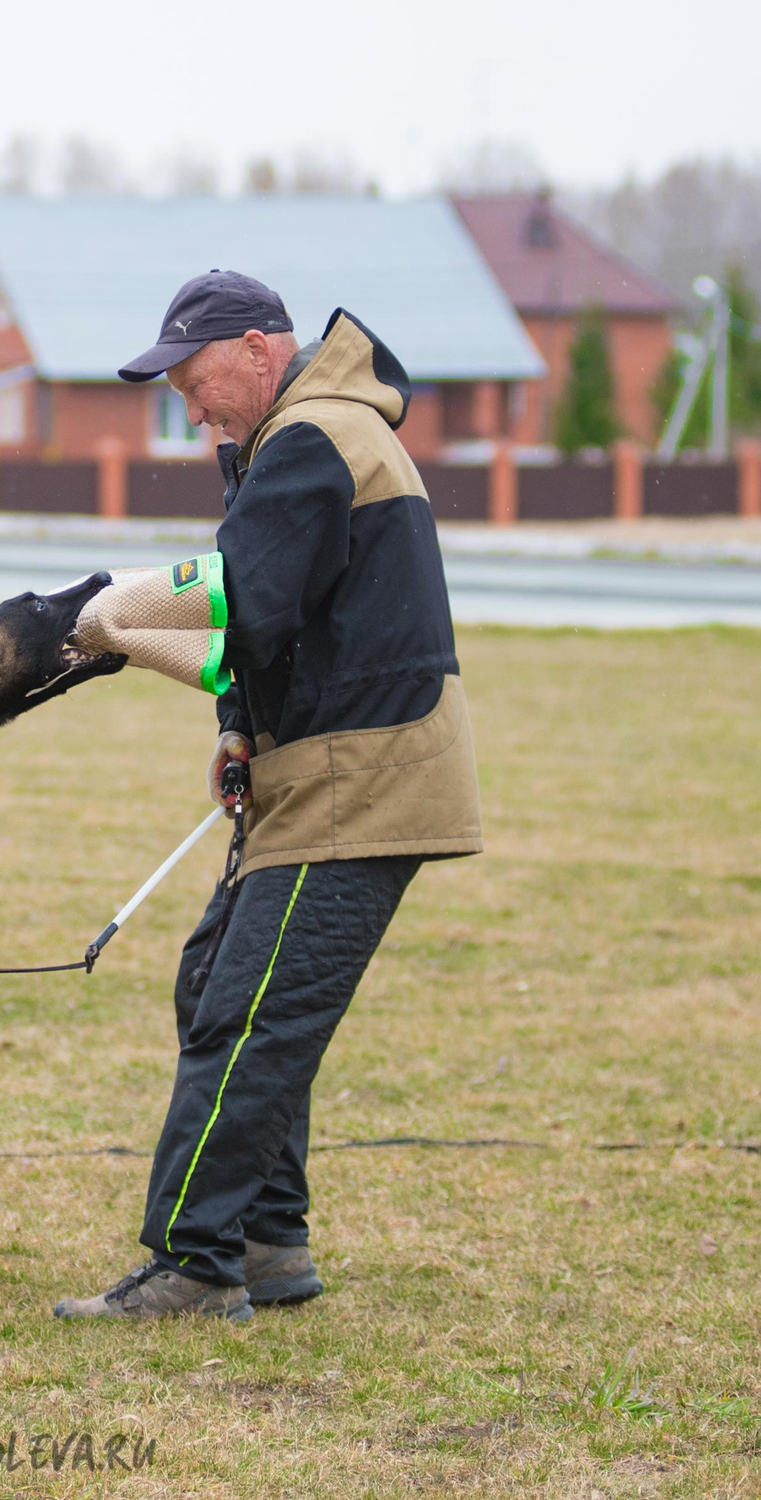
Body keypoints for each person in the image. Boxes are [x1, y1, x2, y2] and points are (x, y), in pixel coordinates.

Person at [52, 270, 484, 1323]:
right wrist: (237, 725)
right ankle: (268, 1237)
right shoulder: (302, 434)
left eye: (197, 385)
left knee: (244, 1018)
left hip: (358, 780)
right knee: (217, 982)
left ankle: (196, 1262)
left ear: (257, 350)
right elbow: (285, 620)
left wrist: (103, 615)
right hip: (323, 769)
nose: (194, 413)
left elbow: (237, 604)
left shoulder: (310, 437)